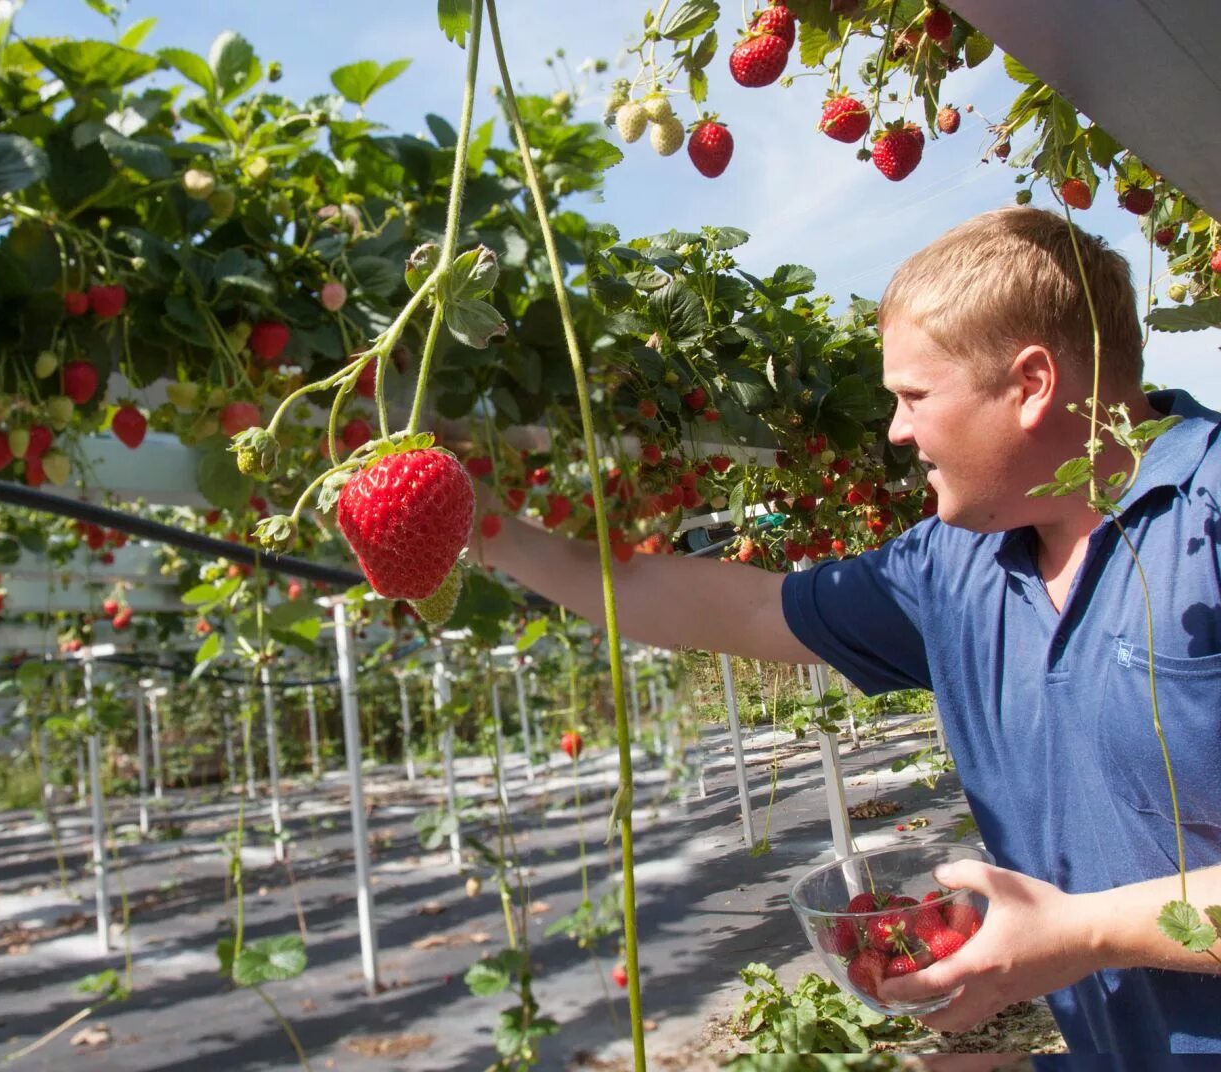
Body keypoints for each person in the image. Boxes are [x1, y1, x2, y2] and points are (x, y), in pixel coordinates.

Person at [472, 207, 1221, 1064]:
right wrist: (488, 532)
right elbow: (743, 609)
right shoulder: (957, 566)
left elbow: (1078, 933)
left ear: (1032, 384)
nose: (896, 430)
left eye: (914, 396)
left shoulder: (1208, 518)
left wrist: (1077, 935)